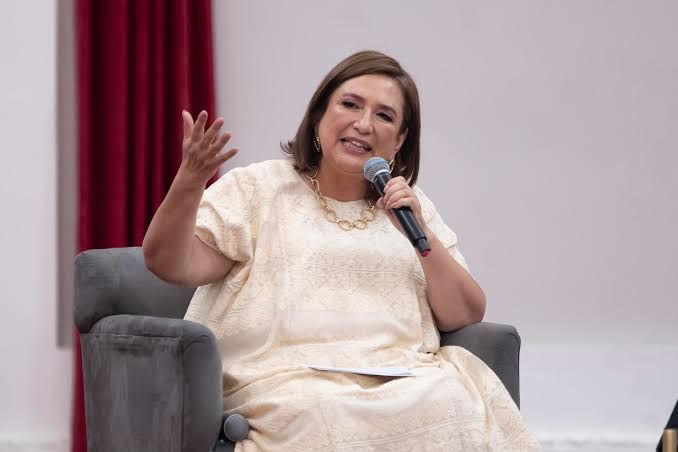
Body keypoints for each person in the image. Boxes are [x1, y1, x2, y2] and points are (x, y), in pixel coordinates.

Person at [143, 50, 540, 451]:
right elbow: (168, 263)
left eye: (384, 116)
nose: (364, 124)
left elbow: (465, 313)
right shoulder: (258, 189)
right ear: (319, 116)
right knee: (323, 413)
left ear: (400, 140)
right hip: (288, 380)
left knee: (453, 400)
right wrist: (190, 181)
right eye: (350, 105)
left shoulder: (409, 206)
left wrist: (421, 234)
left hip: (399, 377)